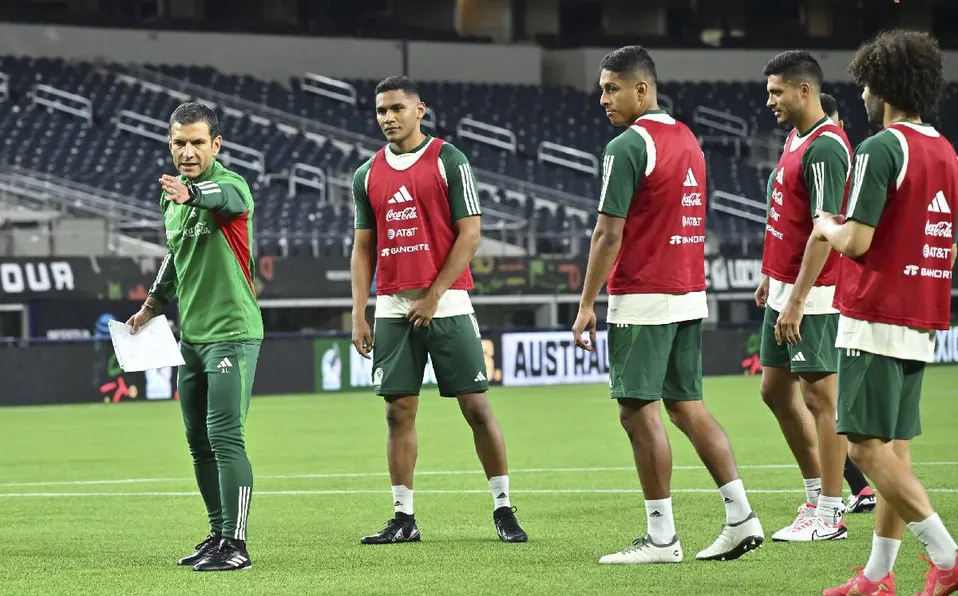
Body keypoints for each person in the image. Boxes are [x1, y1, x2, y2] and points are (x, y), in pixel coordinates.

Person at [572, 45, 764, 565]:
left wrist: (588, 303)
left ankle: (662, 539)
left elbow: (608, 233)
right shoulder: (687, 138)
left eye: (612, 88)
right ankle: (741, 516)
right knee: (687, 406)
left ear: (642, 89)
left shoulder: (627, 146)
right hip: (686, 290)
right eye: (601, 88)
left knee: (637, 411)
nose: (602, 98)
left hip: (645, 294)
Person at [350, 75, 527, 545]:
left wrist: (433, 294)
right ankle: (403, 518)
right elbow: (363, 248)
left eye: (397, 109)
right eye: (381, 111)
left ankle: (504, 508)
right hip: (391, 305)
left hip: (446, 302)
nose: (388, 117)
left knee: (475, 407)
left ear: (419, 110)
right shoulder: (366, 174)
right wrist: (358, 312)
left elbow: (471, 233)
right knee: (397, 411)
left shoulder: (450, 160)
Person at [815, 29, 958, 596]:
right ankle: (876, 576)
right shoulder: (945, 150)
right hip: (922, 315)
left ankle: (947, 554)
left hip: (875, 314)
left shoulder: (880, 148)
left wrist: (825, 223)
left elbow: (855, 242)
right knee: (893, 448)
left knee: (864, 447)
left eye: (867, 84)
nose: (864, 96)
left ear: (884, 85)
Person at [128, 102, 263, 571]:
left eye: (197, 142)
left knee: (226, 436)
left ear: (216, 145)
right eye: (179, 143)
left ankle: (238, 545)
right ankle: (217, 534)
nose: (187, 151)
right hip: (193, 338)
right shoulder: (170, 197)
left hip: (233, 332)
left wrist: (193, 195)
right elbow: (174, 255)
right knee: (197, 439)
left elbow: (222, 200)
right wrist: (150, 307)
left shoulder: (231, 186)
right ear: (170, 145)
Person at [754, 51, 853, 543]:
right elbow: (786, 216)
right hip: (785, 285)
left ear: (804, 90)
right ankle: (815, 495)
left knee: (820, 398)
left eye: (776, 91)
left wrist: (796, 300)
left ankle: (832, 511)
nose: (769, 100)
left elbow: (825, 229)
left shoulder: (828, 148)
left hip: (814, 294)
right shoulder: (796, 138)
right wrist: (771, 276)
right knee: (773, 390)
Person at [821, 91, 877, 515]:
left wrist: (824, 228)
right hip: (843, 292)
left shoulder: (843, 154)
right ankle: (854, 491)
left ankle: (833, 501)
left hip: (837, 291)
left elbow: (850, 236)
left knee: (826, 403)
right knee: (797, 396)